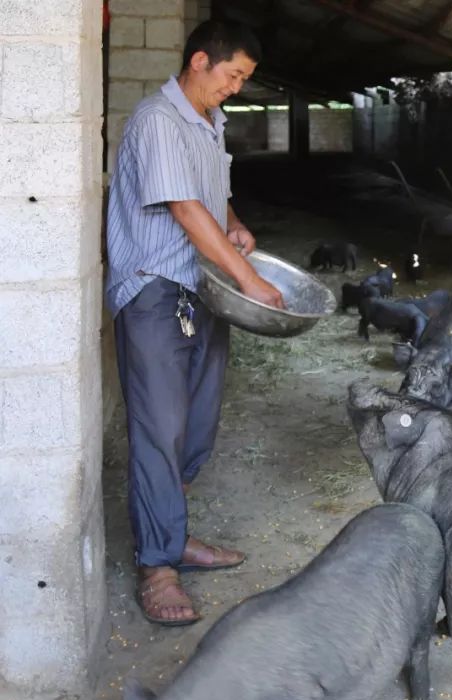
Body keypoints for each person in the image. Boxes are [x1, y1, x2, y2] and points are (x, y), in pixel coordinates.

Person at [105, 19, 284, 626]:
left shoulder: (210, 121)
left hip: (201, 289)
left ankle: (172, 532)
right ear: (201, 60)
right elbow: (182, 207)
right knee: (159, 428)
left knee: (196, 424)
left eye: (243, 79)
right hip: (156, 291)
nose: (236, 88)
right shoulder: (159, 119)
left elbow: (207, 194)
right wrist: (251, 277)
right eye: (233, 75)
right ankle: (157, 566)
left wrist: (231, 220)